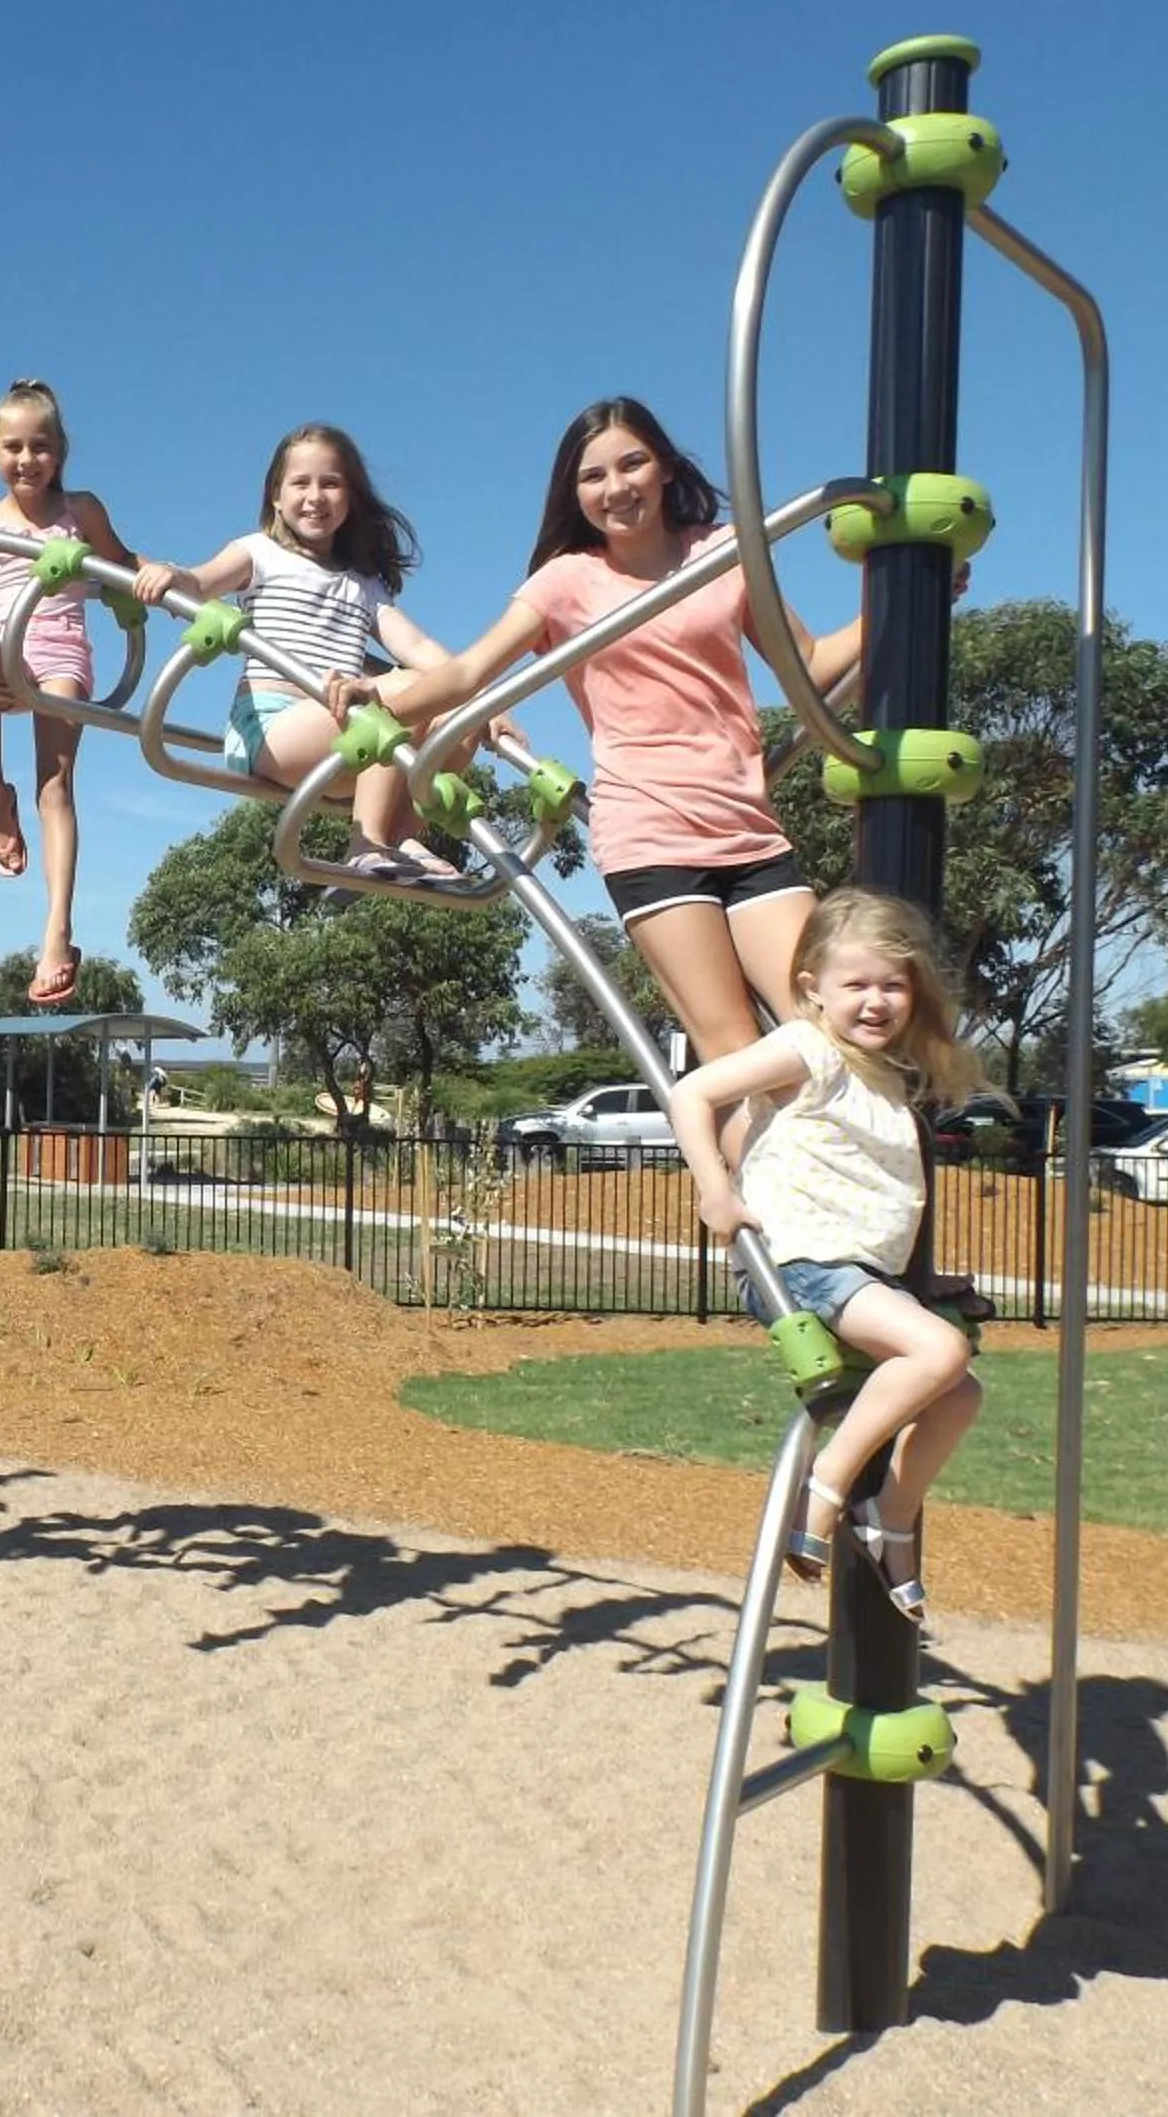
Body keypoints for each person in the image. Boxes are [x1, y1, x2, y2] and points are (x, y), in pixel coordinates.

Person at [348, 397, 867, 1062]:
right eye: (593, 476)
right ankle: (738, 1170)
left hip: (748, 829)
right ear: (575, 492)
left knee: (830, 1034)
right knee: (735, 1050)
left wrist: (904, 594)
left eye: (633, 465)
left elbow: (812, 667)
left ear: (667, 469)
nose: (616, 488)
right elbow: (471, 669)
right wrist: (386, 703)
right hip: (650, 834)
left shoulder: (724, 553)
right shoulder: (565, 580)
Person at [664, 887, 986, 1621]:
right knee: (940, 1355)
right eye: (857, 985)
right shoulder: (807, 1048)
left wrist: (921, 1280)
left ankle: (890, 1519)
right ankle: (830, 1484)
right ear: (813, 990)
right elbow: (692, 1094)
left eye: (893, 984)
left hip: (857, 1270)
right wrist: (716, 1189)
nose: (876, 1001)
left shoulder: (888, 1076)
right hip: (804, 1264)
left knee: (961, 1395)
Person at [131, 423, 459, 879]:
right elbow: (203, 582)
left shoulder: (364, 585)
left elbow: (419, 646)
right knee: (404, 690)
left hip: (341, 741)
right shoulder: (259, 551)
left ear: (351, 497)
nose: (315, 496)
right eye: (300, 483)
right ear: (276, 496)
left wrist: (483, 699)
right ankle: (367, 843)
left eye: (331, 483)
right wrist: (173, 574)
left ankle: (401, 835)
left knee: (457, 712)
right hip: (272, 726)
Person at [0, 379, 140, 1005]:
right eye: (13, 447)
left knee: (55, 788)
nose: (27, 459)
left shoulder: (80, 512)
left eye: (40, 446)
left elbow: (124, 566)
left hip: (60, 656)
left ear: (61, 452)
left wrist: (148, 580)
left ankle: (57, 932)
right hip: (5, 652)